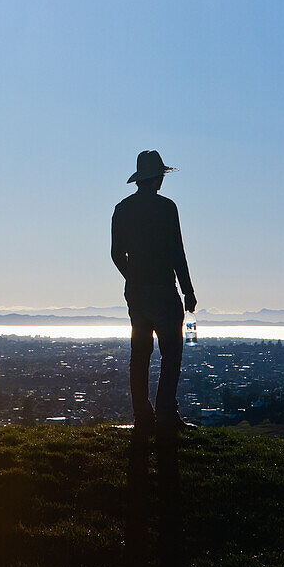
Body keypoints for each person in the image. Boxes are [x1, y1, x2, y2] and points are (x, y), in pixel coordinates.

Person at [111, 150, 197, 436]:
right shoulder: (166, 208)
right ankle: (166, 414)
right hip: (163, 289)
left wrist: (133, 278)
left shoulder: (122, 209)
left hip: (136, 292)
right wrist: (188, 290)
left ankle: (142, 415)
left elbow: (115, 254)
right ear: (156, 178)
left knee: (140, 354)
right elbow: (177, 251)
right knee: (171, 352)